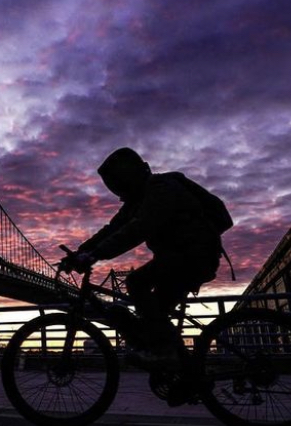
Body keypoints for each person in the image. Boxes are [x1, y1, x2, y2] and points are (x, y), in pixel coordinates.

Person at [59, 147, 227, 364]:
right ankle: (181, 366)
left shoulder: (162, 189)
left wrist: (95, 255)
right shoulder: (138, 199)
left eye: (118, 183)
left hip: (193, 257)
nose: (117, 190)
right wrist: (80, 253)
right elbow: (113, 228)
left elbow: (138, 229)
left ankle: (164, 351)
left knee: (136, 282)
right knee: (154, 316)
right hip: (178, 258)